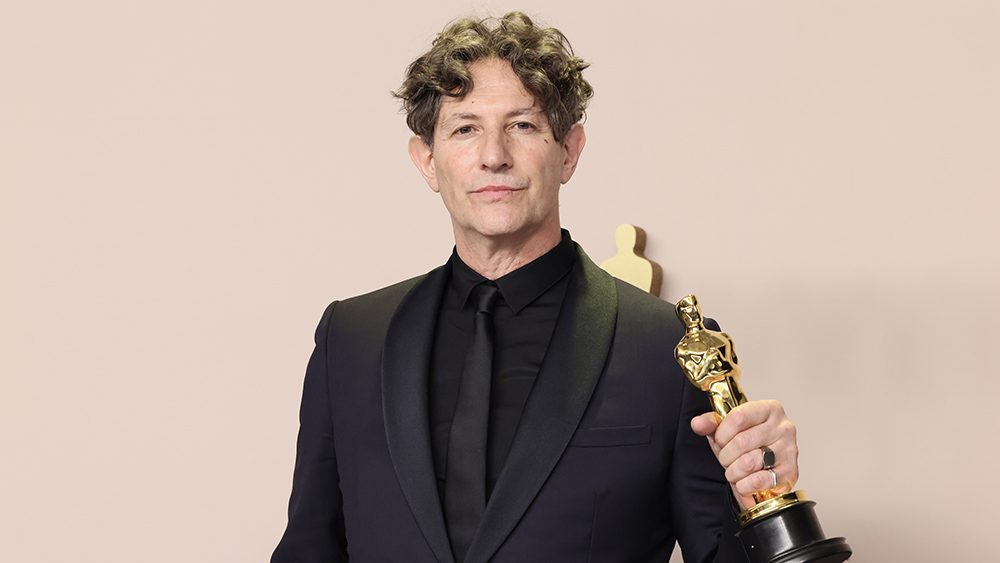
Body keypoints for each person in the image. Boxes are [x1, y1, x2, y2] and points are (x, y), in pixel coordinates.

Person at [271, 12, 799, 563]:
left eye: (522, 125)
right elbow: (308, 549)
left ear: (568, 151)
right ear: (427, 160)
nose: (493, 155)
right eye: (465, 128)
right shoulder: (351, 340)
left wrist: (765, 496)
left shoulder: (670, 349)